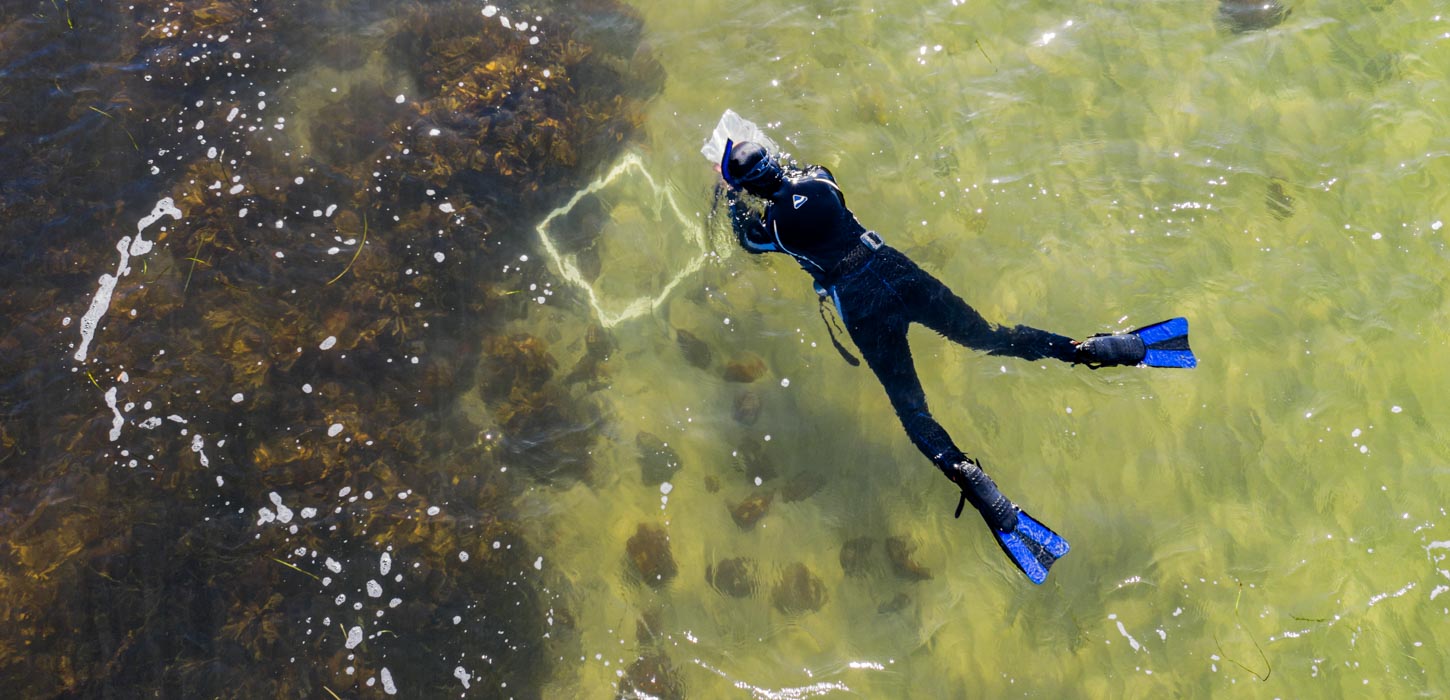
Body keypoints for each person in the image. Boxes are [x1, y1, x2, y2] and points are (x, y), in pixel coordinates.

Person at [715, 140, 1194, 583]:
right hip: (893, 268)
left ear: (749, 185)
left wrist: (730, 198)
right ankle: (1089, 350)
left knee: (914, 412)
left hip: (859, 303)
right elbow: (809, 178)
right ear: (776, 162)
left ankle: (970, 477)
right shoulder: (821, 180)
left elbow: (748, 240)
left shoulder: (773, 228)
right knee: (988, 336)